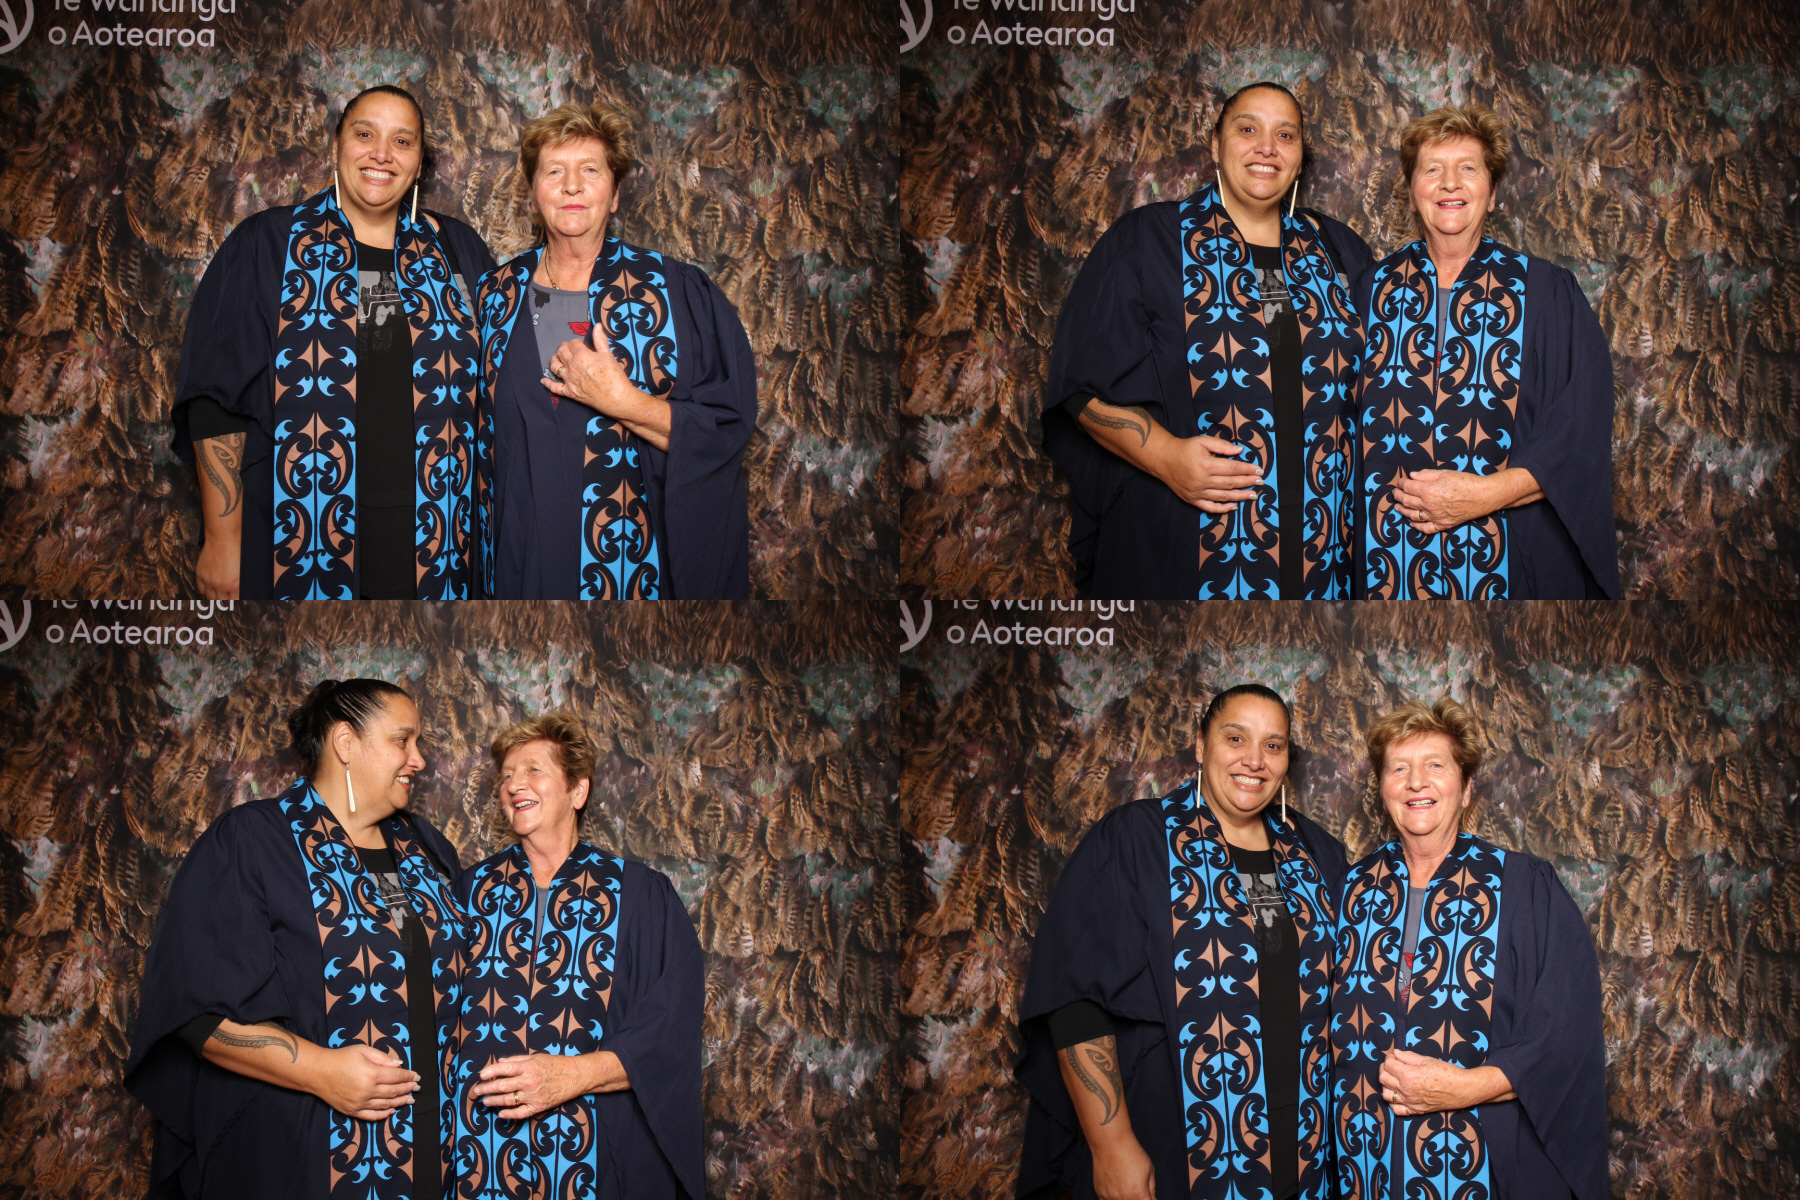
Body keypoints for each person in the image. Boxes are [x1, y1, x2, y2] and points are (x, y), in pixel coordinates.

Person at [124, 679, 469, 1200]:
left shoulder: (425, 847)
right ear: (345, 743)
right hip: (301, 1156)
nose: (417, 759)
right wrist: (322, 1071)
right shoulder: (252, 841)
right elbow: (193, 1013)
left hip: (431, 1156)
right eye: (403, 740)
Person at [1016, 685, 1351, 1200]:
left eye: (1273, 745)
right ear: (1200, 744)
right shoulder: (1138, 840)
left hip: (1304, 1148)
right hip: (1174, 1147)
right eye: (1235, 738)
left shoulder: (1315, 853)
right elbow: (1075, 1000)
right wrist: (1112, 1146)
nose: (1254, 760)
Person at [1042, 82, 1372, 600]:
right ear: (1216, 145)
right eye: (1248, 129)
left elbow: (1386, 383)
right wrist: (1167, 457)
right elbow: (1079, 386)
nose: (1267, 147)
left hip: (1322, 552)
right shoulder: (1147, 241)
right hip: (1183, 545)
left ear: (1300, 158)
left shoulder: (1338, 250)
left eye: (1285, 135)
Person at [173, 85, 496, 601]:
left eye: (402, 141)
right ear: (337, 145)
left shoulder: (458, 250)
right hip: (297, 537)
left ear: (418, 164)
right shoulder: (269, 245)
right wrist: (223, 541)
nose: (382, 154)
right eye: (365, 134)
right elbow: (215, 401)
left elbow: (496, 389)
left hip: (439, 543)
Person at [473, 101, 757, 599]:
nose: (572, 186)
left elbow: (725, 427)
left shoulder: (676, 292)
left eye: (590, 170)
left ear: (616, 194)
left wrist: (622, 401)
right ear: (533, 195)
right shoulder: (493, 296)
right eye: (553, 171)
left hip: (632, 562)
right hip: (521, 559)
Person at [1329, 698, 1607, 1200]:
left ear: (1467, 789)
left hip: (1482, 1166)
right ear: (1382, 788)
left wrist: (1464, 1088)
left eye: (1435, 766)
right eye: (1399, 769)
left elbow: (1567, 1037)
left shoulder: (1525, 889)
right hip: (1364, 1167)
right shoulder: (1351, 890)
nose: (1416, 782)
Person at [1354, 103, 1619, 598]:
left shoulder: (1546, 294)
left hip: (1509, 563)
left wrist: (1485, 495)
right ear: (1411, 192)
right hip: (1384, 566)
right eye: (1432, 170)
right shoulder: (1369, 292)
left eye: (1468, 169)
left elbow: (1581, 429)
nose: (1450, 183)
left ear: (1492, 193)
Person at [450, 711, 703, 1198]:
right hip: (478, 1158)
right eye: (506, 775)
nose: (514, 784)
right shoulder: (469, 892)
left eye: (533, 770)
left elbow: (671, 1028)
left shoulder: (640, 897)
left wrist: (573, 1075)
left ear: (578, 790)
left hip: (596, 1158)